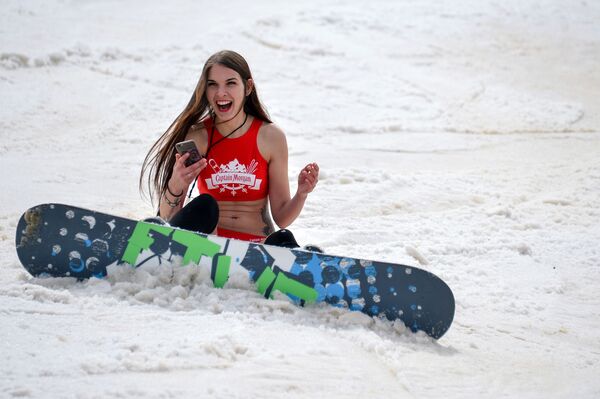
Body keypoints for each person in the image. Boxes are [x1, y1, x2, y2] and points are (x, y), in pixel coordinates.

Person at [139, 50, 319, 247]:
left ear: (248, 87)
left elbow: (282, 217)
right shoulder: (198, 136)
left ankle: (309, 264)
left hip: (257, 250)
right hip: (211, 244)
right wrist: (176, 182)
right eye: (212, 85)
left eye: (230, 83)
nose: (220, 93)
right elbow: (167, 217)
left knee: (284, 237)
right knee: (205, 204)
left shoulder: (271, 137)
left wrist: (301, 194)